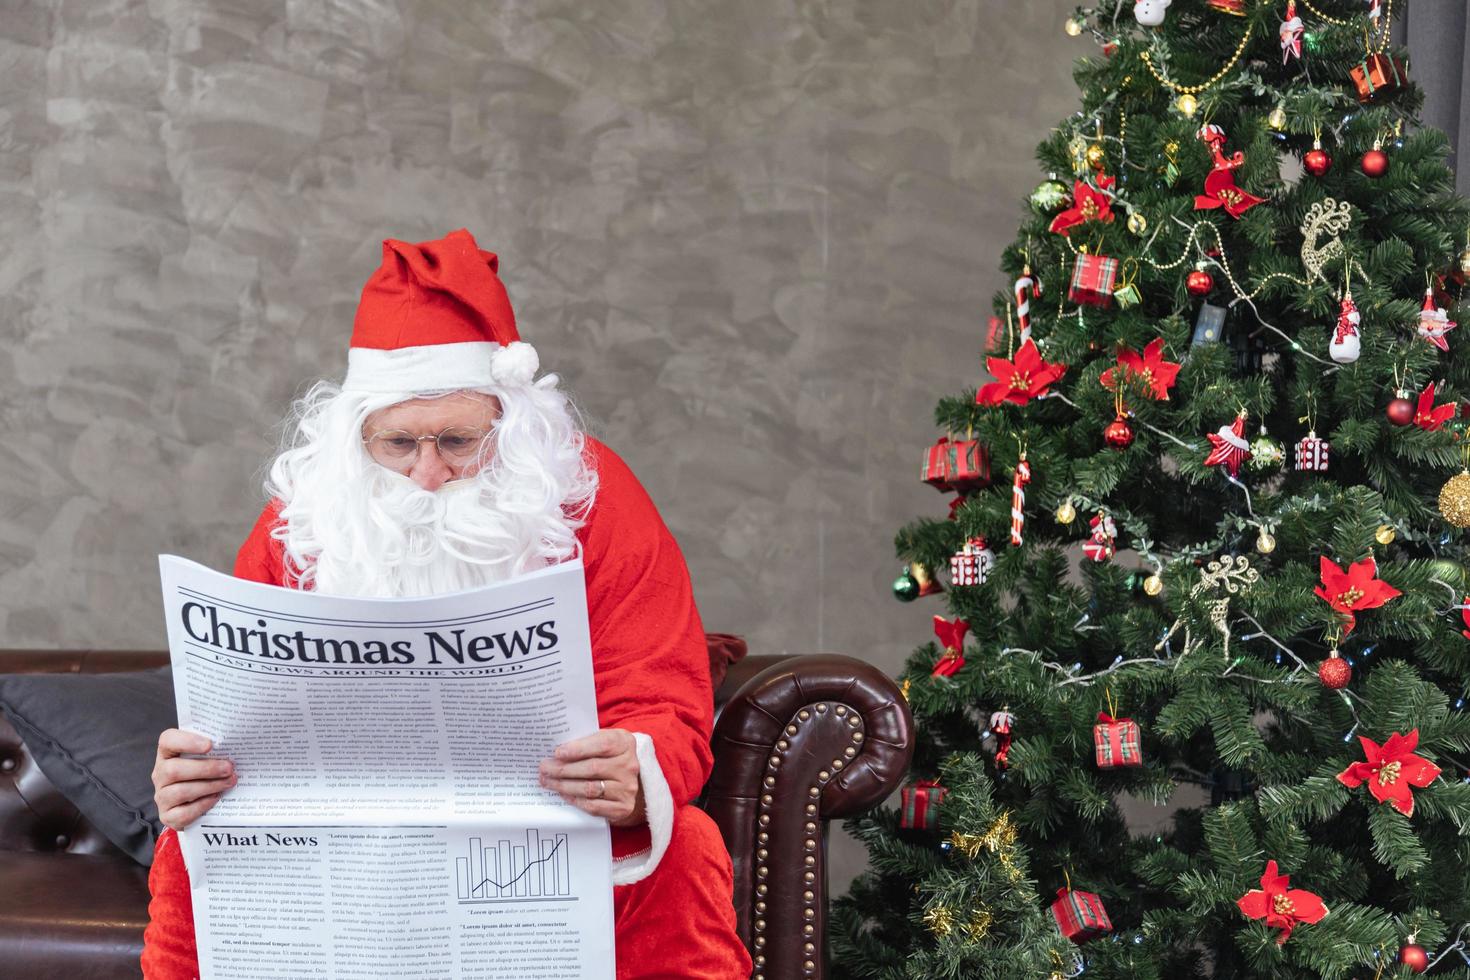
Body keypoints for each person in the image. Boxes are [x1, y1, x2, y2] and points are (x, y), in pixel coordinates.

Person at [142, 229, 753, 979]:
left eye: (458, 441)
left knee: (683, 843)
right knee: (187, 846)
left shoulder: (593, 497)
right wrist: (192, 770)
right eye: (398, 444)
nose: (427, 476)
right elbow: (236, 719)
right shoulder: (304, 520)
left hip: (545, 825)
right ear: (355, 438)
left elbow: (660, 690)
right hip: (346, 833)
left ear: (513, 425)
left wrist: (637, 768)